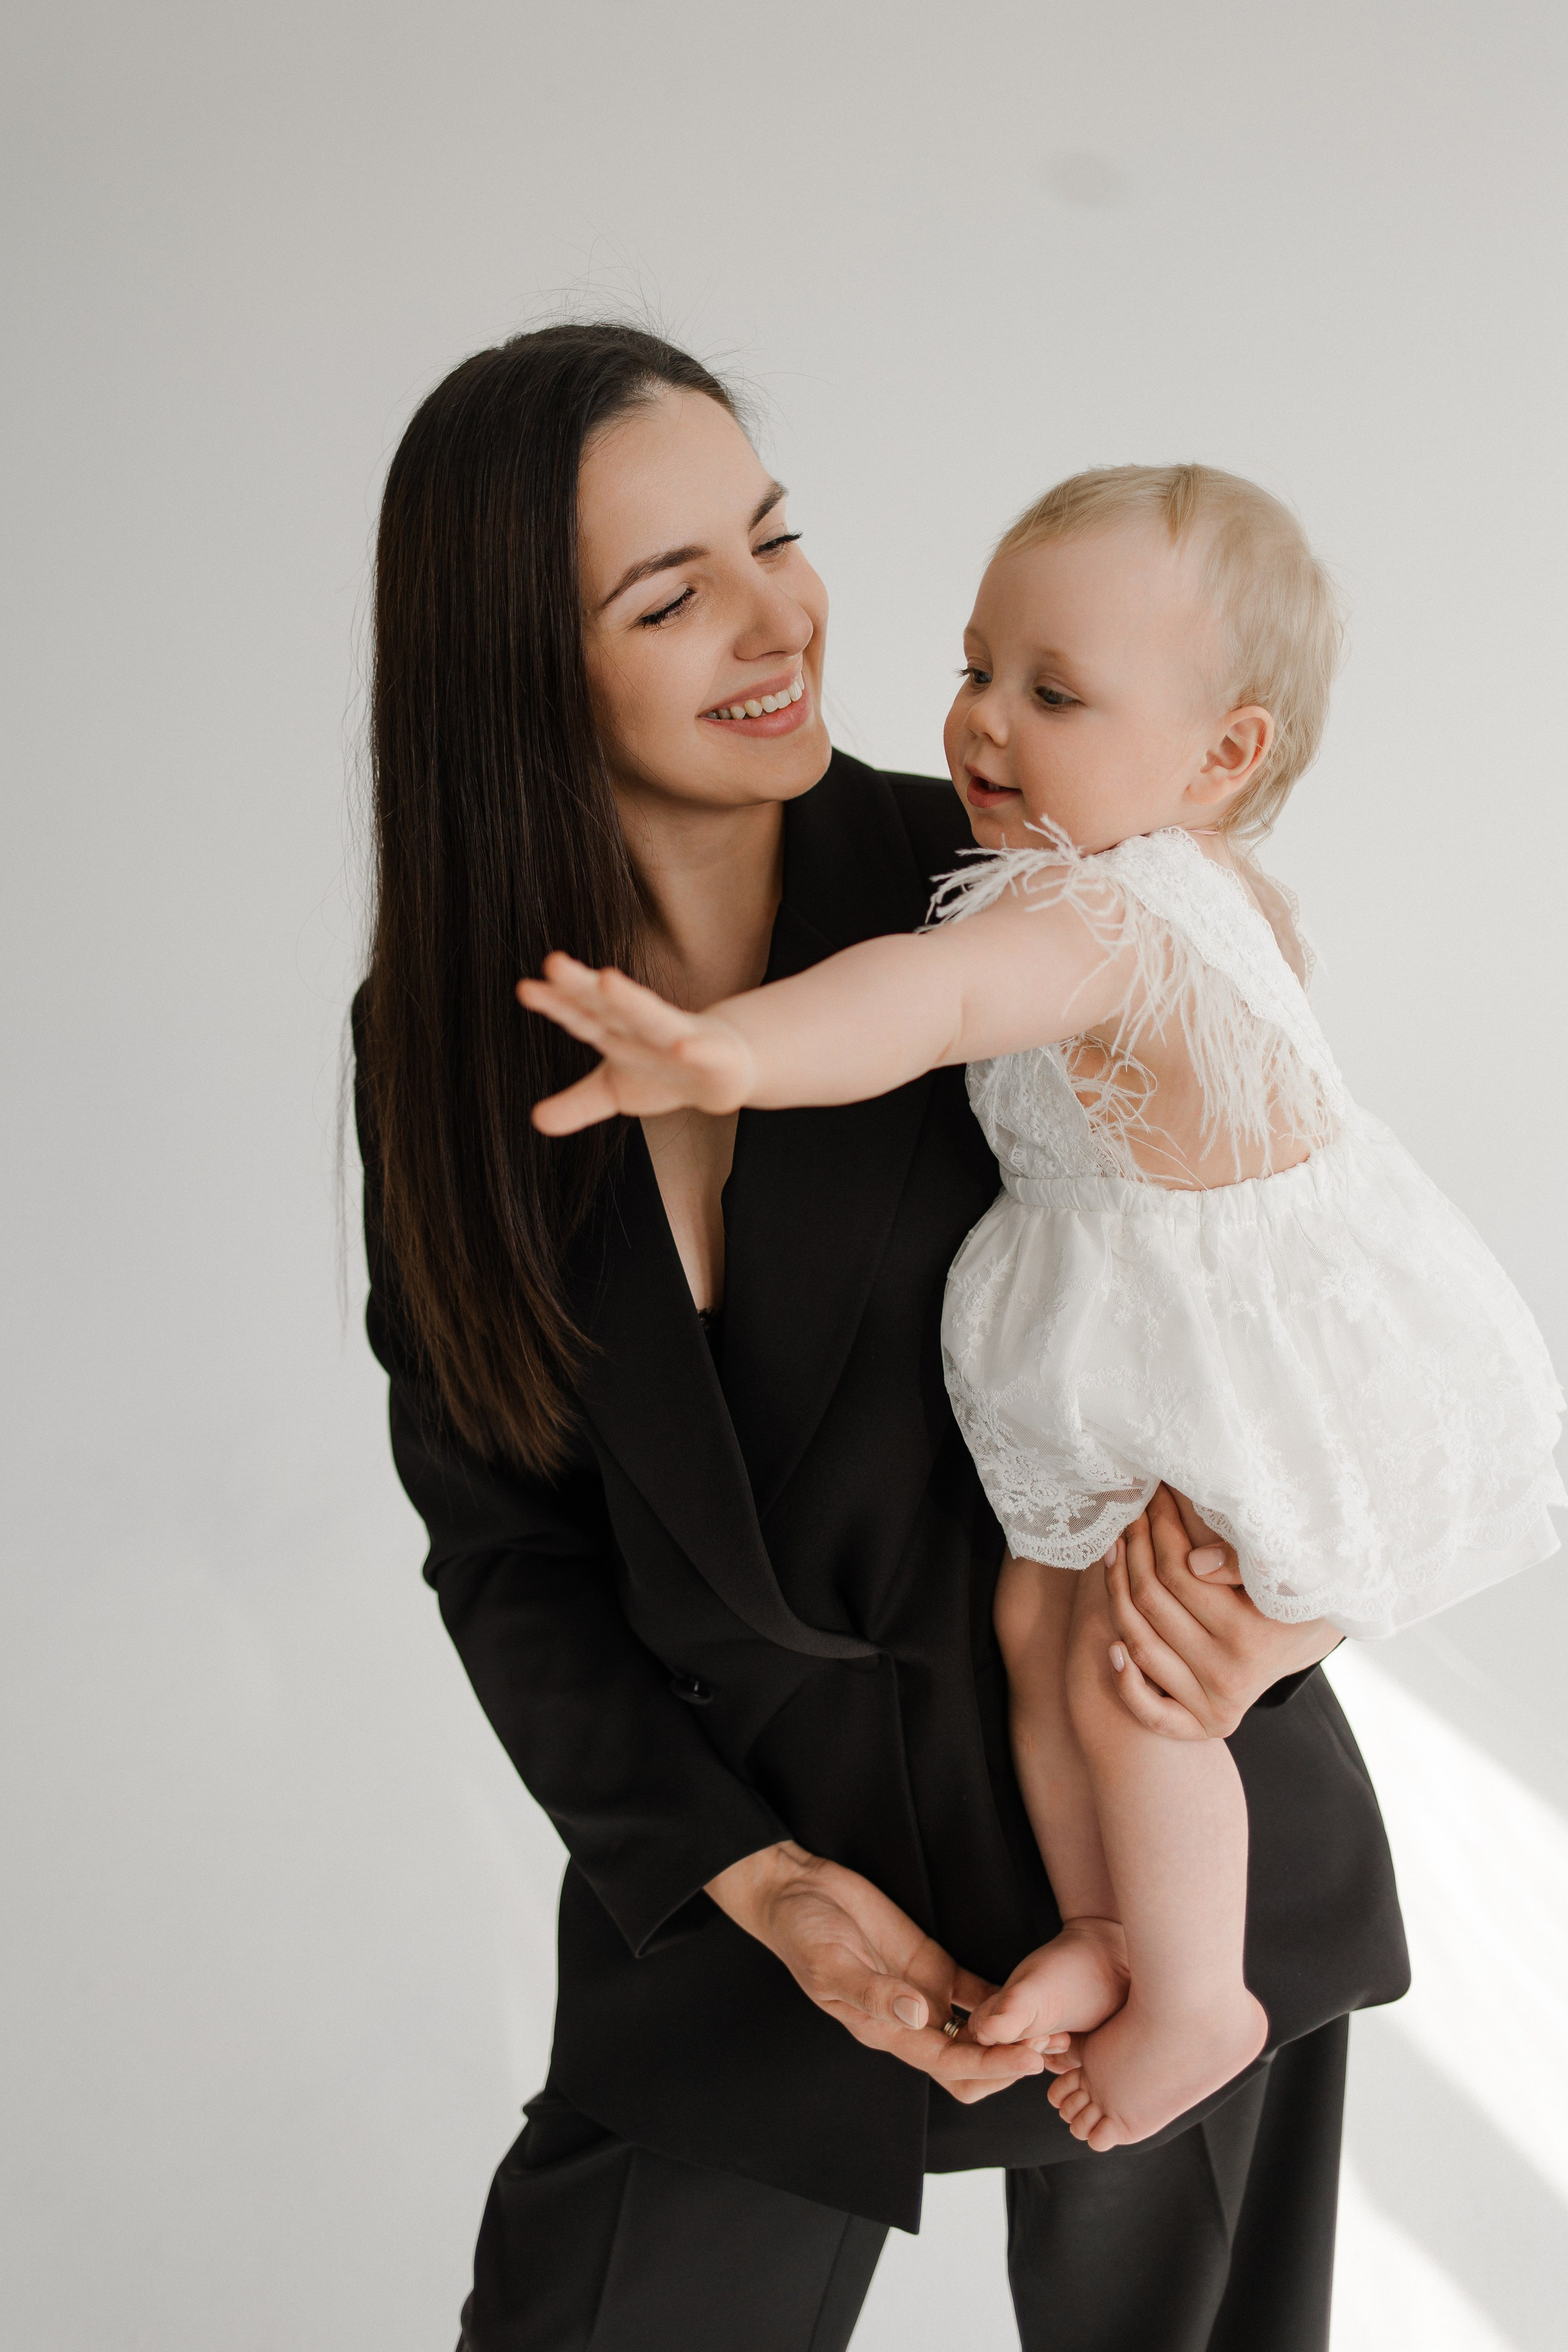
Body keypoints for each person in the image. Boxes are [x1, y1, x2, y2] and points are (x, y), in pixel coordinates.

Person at [356, 328, 1409, 2352]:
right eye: (672, 594)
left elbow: (1303, 1296)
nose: (782, 621)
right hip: (760, 1900)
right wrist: (758, 1888)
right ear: (512, 668)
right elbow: (508, 1555)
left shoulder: (1039, 883)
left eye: (775, 535)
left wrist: (1301, 1612)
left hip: (1172, 1858)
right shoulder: (435, 1051)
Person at [521, 459, 1564, 2169]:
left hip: (1236, 1357)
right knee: (1042, 1631)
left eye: (1054, 693)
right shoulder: (1164, 866)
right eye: (977, 668)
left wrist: (729, 1054)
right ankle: (1120, 1931)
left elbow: (925, 1000)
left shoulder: (1099, 910)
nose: (984, 724)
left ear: (1220, 755)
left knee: (1138, 1682)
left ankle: (1196, 1990)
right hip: (1169, 1340)